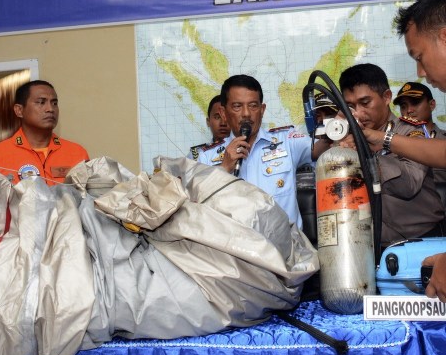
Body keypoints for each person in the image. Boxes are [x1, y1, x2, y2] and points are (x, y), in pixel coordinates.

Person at [197, 74, 330, 227]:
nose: (246, 113)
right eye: (237, 106)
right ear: (223, 112)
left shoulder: (287, 141)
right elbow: (197, 207)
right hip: (236, 241)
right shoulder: (206, 158)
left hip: (286, 241)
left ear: (262, 110)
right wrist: (224, 168)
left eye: (253, 106)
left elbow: (322, 147)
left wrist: (334, 130)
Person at [338, 63, 444, 249]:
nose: (359, 113)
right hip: (371, 245)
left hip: (422, 241)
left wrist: (366, 156)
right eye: (350, 106)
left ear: (386, 97)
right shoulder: (347, 137)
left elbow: (409, 185)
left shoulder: (411, 131)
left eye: (365, 103)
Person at [0, 80, 89, 185]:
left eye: (54, 103)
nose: (50, 109)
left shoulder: (77, 153)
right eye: (41, 102)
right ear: (19, 110)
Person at [393, 81, 446, 181]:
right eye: (403, 106)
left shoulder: (444, 140)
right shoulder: (395, 143)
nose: (409, 110)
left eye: (415, 103)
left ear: (432, 104)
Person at [188, 95, 230, 160]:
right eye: (217, 117)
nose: (223, 123)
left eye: (227, 117)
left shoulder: (243, 149)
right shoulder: (196, 154)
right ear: (208, 121)